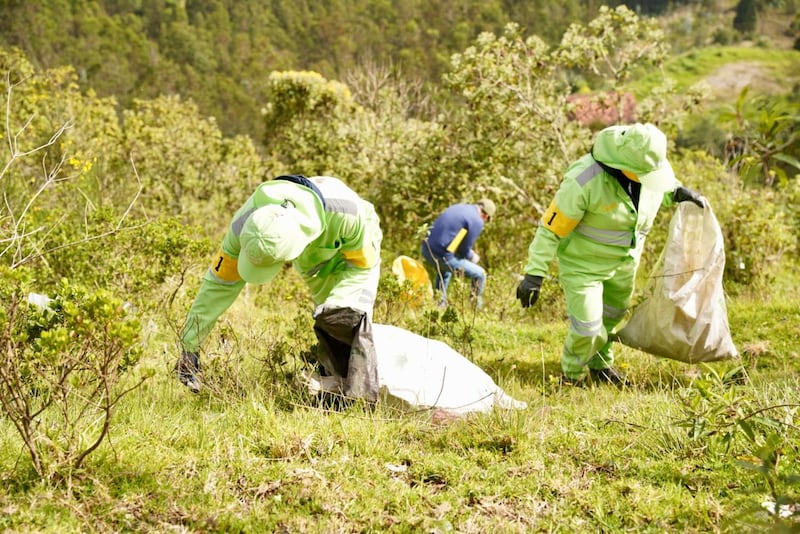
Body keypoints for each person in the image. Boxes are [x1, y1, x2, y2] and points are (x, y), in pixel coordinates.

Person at [516, 123, 704, 385]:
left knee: (612, 317)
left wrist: (677, 192)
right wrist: (534, 273)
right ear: (623, 166)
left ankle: (601, 365)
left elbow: (660, 184)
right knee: (589, 327)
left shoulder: (645, 167)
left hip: (625, 264)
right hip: (584, 268)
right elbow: (550, 229)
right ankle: (571, 375)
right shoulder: (584, 181)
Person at [176, 175, 383, 400]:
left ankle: (362, 398)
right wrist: (189, 346)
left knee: (343, 316)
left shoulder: (347, 214)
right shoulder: (245, 222)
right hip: (313, 261)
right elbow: (219, 285)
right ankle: (333, 385)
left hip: (352, 247)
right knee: (327, 320)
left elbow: (362, 267)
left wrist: (341, 311)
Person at [420, 198, 496, 309]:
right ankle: (475, 311)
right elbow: (464, 250)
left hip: (426, 249)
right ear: (486, 216)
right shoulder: (477, 220)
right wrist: (472, 256)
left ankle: (439, 306)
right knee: (480, 274)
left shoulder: (460, 207)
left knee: (446, 270)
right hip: (441, 255)